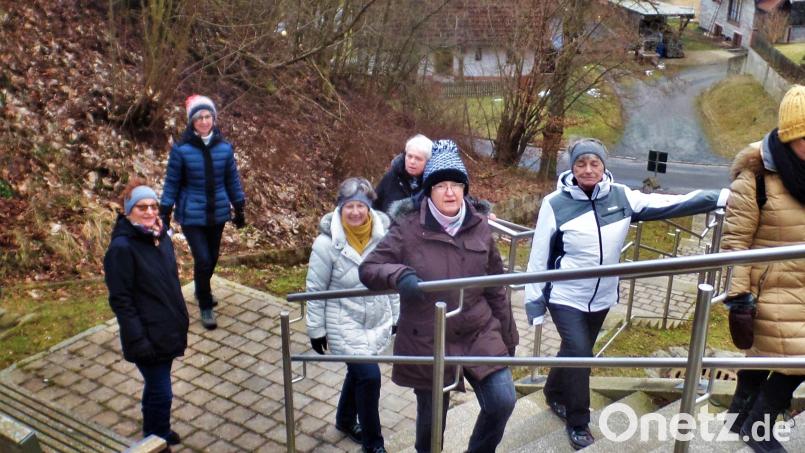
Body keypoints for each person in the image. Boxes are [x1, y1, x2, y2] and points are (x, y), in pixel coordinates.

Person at [524, 138, 729, 450]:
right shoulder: (555, 204)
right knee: (581, 355)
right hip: (565, 295)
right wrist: (534, 302)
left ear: (605, 166)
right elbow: (538, 257)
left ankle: (553, 392)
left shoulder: (622, 197)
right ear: (573, 167)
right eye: (581, 163)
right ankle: (578, 422)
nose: (588, 169)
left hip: (602, 296)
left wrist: (720, 196)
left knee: (575, 350)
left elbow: (669, 203)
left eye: (595, 163)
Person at [359, 139, 519, 453]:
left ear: (465, 189)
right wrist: (399, 274)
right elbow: (369, 268)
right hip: (428, 338)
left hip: (477, 331)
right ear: (429, 190)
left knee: (502, 400)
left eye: (456, 184)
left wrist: (508, 337)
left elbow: (496, 286)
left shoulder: (480, 227)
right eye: (441, 185)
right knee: (431, 424)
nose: (449, 192)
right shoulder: (407, 228)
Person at [722, 85, 805, 453]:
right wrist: (739, 298)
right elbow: (734, 244)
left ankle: (741, 415)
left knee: (765, 357)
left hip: (802, 287)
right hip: (771, 290)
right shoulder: (755, 179)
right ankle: (759, 427)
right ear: (789, 137)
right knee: (797, 363)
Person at [305, 177, 398, 453]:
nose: (356, 212)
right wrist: (315, 329)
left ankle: (345, 420)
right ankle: (374, 444)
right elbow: (314, 289)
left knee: (358, 374)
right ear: (340, 208)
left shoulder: (384, 237)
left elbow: (391, 278)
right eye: (349, 207)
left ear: (370, 208)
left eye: (361, 206)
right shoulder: (325, 244)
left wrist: (397, 316)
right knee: (369, 378)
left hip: (375, 320)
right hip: (342, 321)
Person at [104, 178, 189, 450]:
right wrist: (139, 341)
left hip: (167, 328)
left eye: (153, 206)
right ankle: (156, 441)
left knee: (155, 388)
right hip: (146, 336)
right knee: (162, 392)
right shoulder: (122, 249)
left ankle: (156, 430)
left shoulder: (160, 236)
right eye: (142, 207)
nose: (151, 212)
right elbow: (121, 300)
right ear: (128, 211)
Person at [160, 95, 246, 330]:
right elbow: (171, 183)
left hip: (217, 213)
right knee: (203, 258)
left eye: (208, 116)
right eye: (199, 117)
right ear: (192, 122)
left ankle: (201, 287)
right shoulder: (181, 150)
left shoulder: (225, 149)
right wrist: (164, 212)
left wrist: (239, 208)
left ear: (214, 119)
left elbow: (232, 181)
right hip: (191, 215)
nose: (205, 121)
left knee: (213, 258)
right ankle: (205, 304)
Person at [373, 134, 433, 213]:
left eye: (418, 159)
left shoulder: (433, 184)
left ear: (428, 162)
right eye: (409, 156)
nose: (412, 162)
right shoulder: (391, 177)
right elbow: (373, 206)